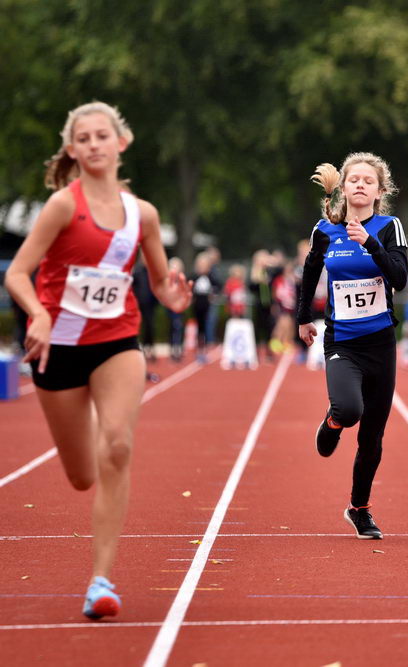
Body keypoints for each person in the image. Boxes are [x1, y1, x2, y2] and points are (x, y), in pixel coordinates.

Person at [3, 102, 192, 619]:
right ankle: (88, 420)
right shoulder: (64, 206)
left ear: (120, 143)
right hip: (59, 347)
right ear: (72, 150)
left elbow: (156, 281)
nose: (92, 144)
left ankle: (100, 581)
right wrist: (38, 316)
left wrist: (171, 298)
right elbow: (18, 274)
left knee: (118, 446)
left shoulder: (144, 214)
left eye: (101, 135)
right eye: (82, 138)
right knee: (83, 476)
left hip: (116, 342)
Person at [297, 153, 408, 540]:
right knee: (349, 409)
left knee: (372, 437)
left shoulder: (390, 228)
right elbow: (311, 271)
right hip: (342, 340)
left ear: (380, 191)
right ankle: (332, 420)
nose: (360, 185)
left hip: (381, 344)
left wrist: (372, 245)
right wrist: (301, 317)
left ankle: (359, 509)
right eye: (353, 180)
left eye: (368, 180)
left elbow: (399, 279)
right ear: (343, 188)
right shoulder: (325, 230)